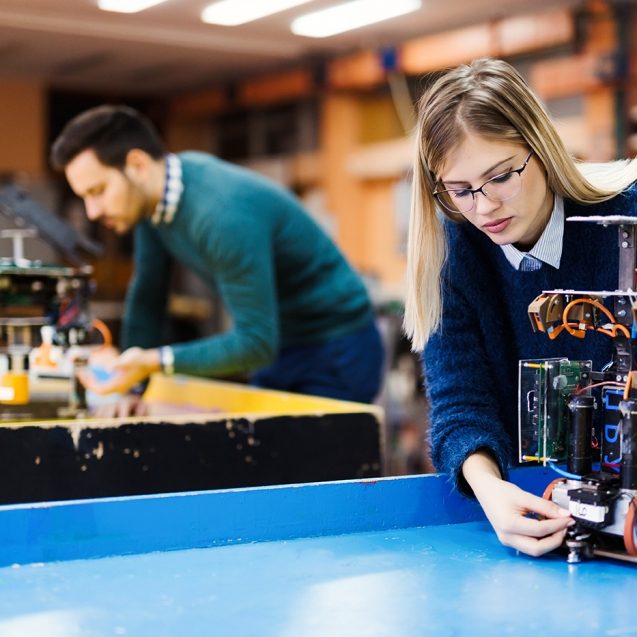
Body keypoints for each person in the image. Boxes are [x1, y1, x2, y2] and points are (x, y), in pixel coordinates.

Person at [404, 58, 637, 557]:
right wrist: (492, 492)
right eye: (461, 190)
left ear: (541, 148)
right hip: (542, 505)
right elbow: (460, 404)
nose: (484, 207)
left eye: (501, 176)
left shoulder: (628, 220)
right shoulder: (453, 252)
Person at [50, 105, 384, 415]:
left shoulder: (220, 215)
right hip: (283, 342)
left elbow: (255, 344)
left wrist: (154, 361)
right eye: (84, 198)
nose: (93, 212)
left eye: (98, 192)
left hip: (337, 343)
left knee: (320, 472)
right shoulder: (154, 206)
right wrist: (133, 388)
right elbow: (147, 296)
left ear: (137, 165)